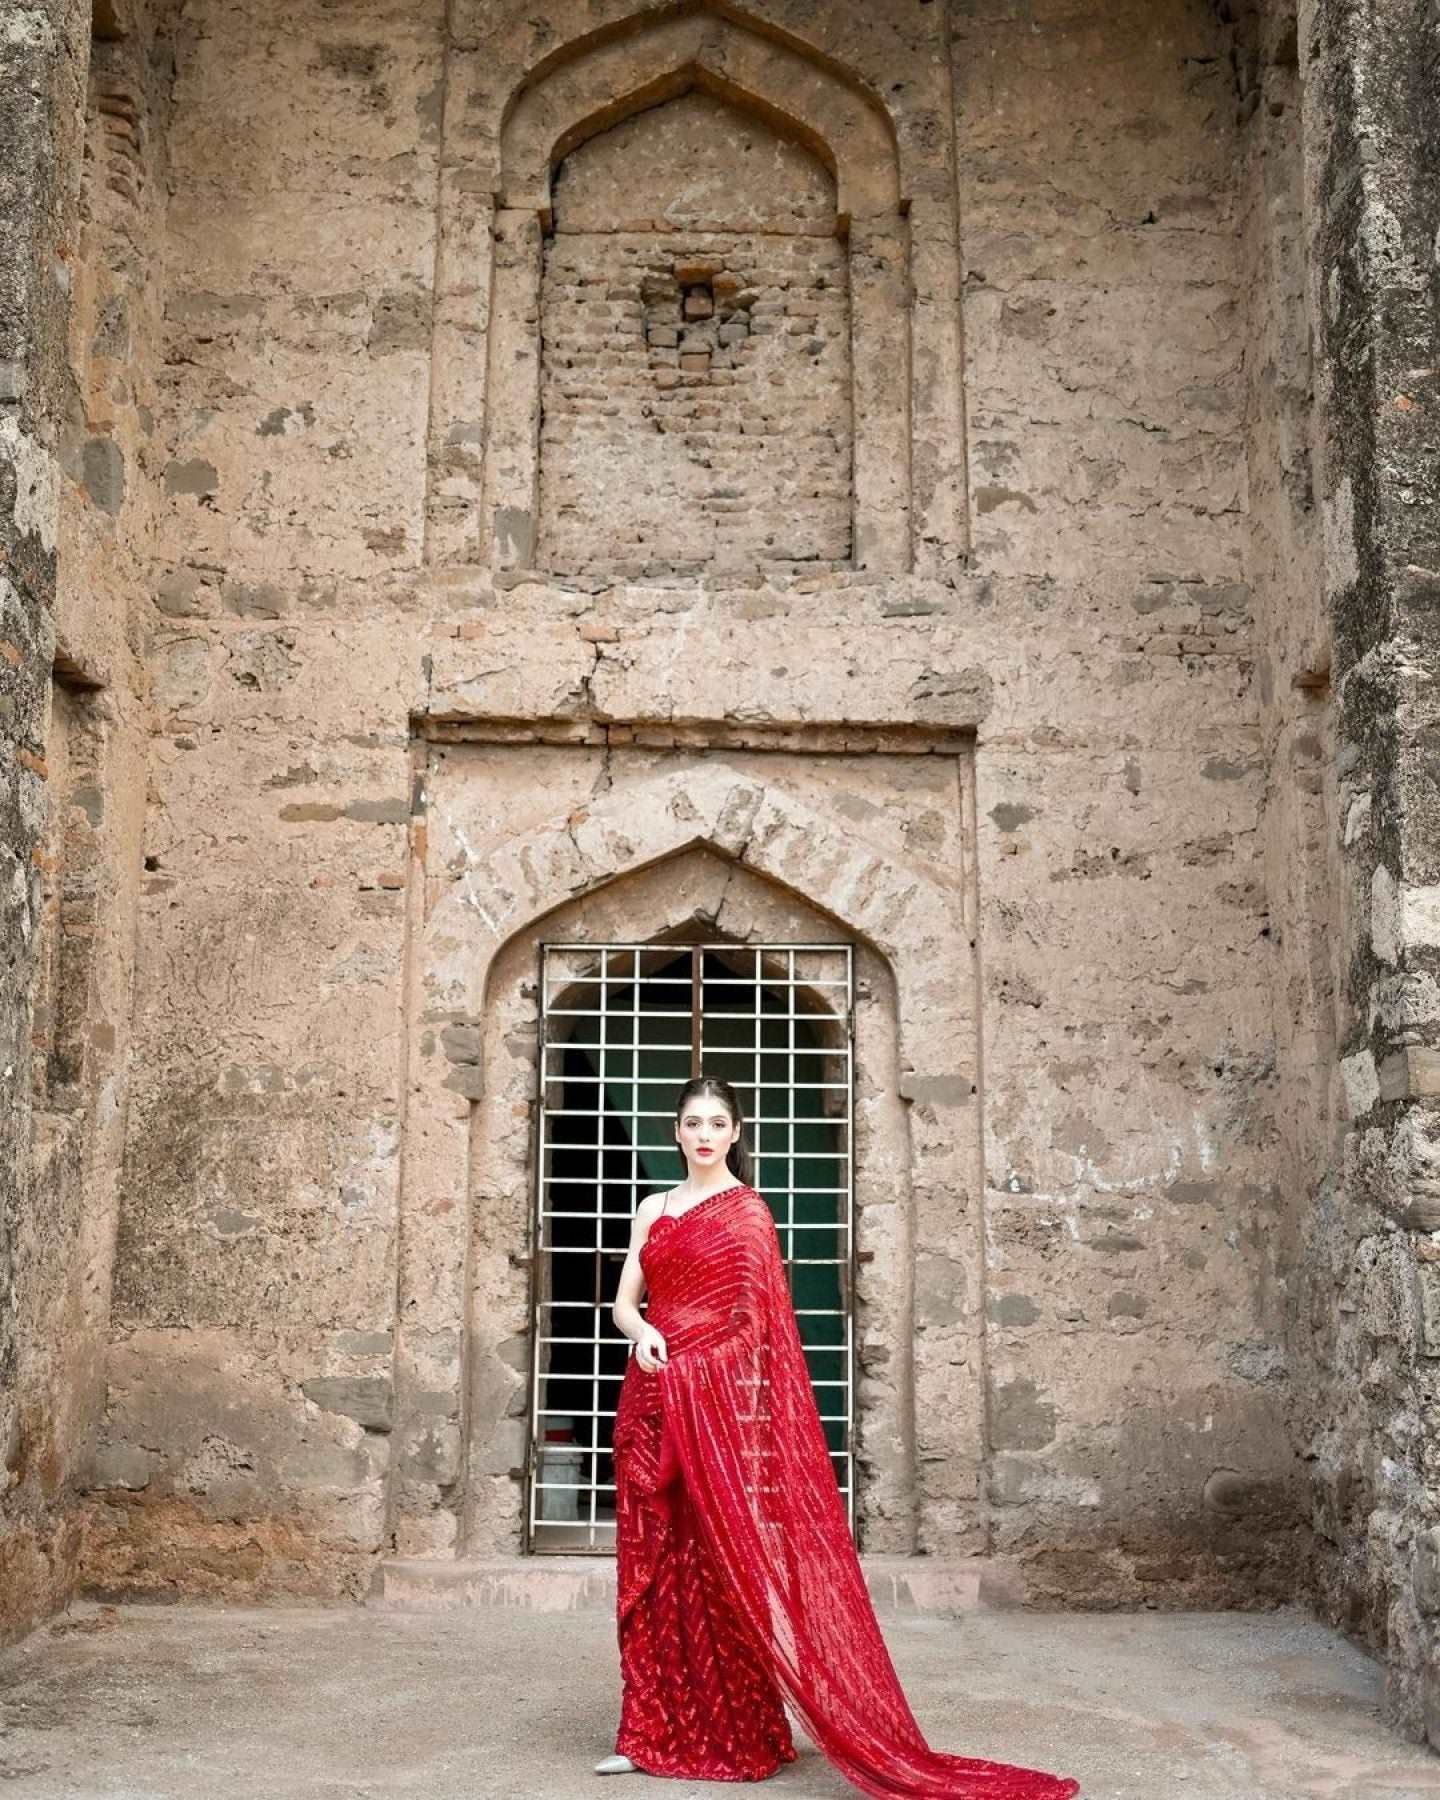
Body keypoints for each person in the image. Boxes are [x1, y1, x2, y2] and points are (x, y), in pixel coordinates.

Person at [597, 1073, 1082, 1798]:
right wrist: (644, 1337)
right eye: (692, 1122)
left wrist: (693, 1365)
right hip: (652, 1401)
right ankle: (648, 1732)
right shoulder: (653, 1208)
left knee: (722, 1569)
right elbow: (625, 1304)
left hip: (713, 1413)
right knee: (657, 1571)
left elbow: (753, 1329)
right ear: (676, 1131)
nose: (703, 1134)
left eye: (716, 1123)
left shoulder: (749, 1216)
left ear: (735, 1133)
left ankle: (737, 1731)